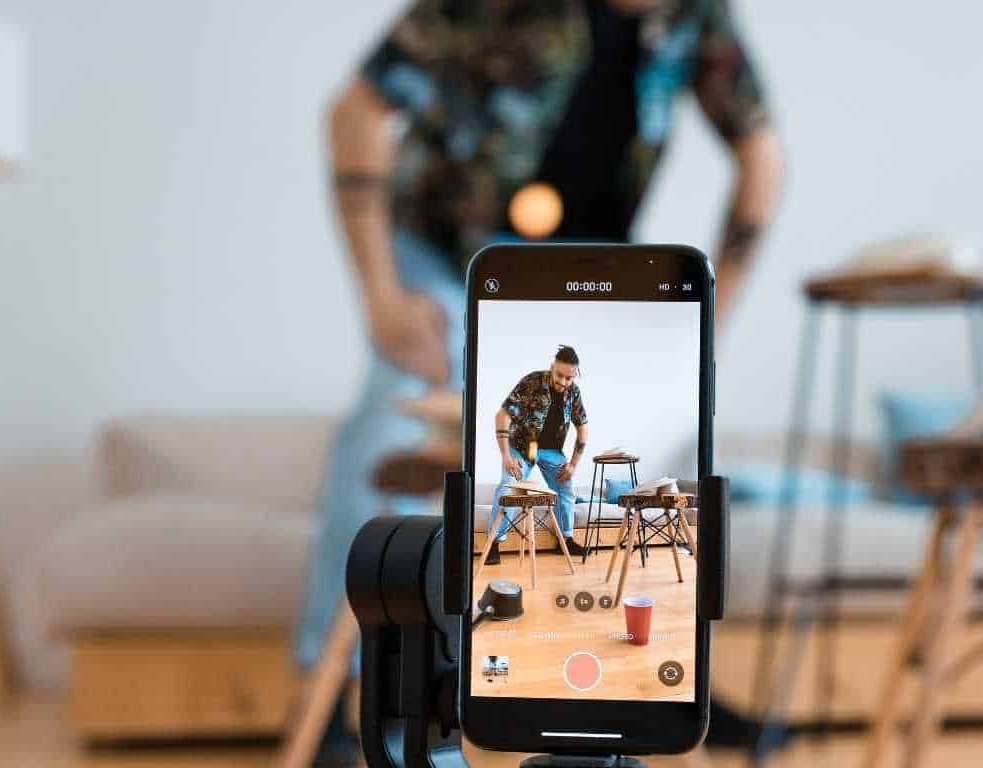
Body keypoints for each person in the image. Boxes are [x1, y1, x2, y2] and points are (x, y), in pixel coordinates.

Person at [299, 1, 783, 763]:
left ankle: (657, 669)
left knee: (656, 461)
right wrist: (382, 296)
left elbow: (762, 154)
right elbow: (356, 109)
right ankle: (339, 698)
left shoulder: (697, 16)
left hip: (594, 262)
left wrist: (708, 325)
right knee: (390, 438)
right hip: (450, 249)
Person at [487, 346, 590, 566]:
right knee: (508, 486)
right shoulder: (531, 382)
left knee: (566, 486)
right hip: (524, 448)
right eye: (559, 375)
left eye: (569, 377)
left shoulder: (574, 392)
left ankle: (566, 539)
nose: (563, 382)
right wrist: (506, 456)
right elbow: (502, 415)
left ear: (576, 374)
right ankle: (493, 543)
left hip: (551, 451)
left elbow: (583, 427)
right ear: (552, 367)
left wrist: (572, 464)